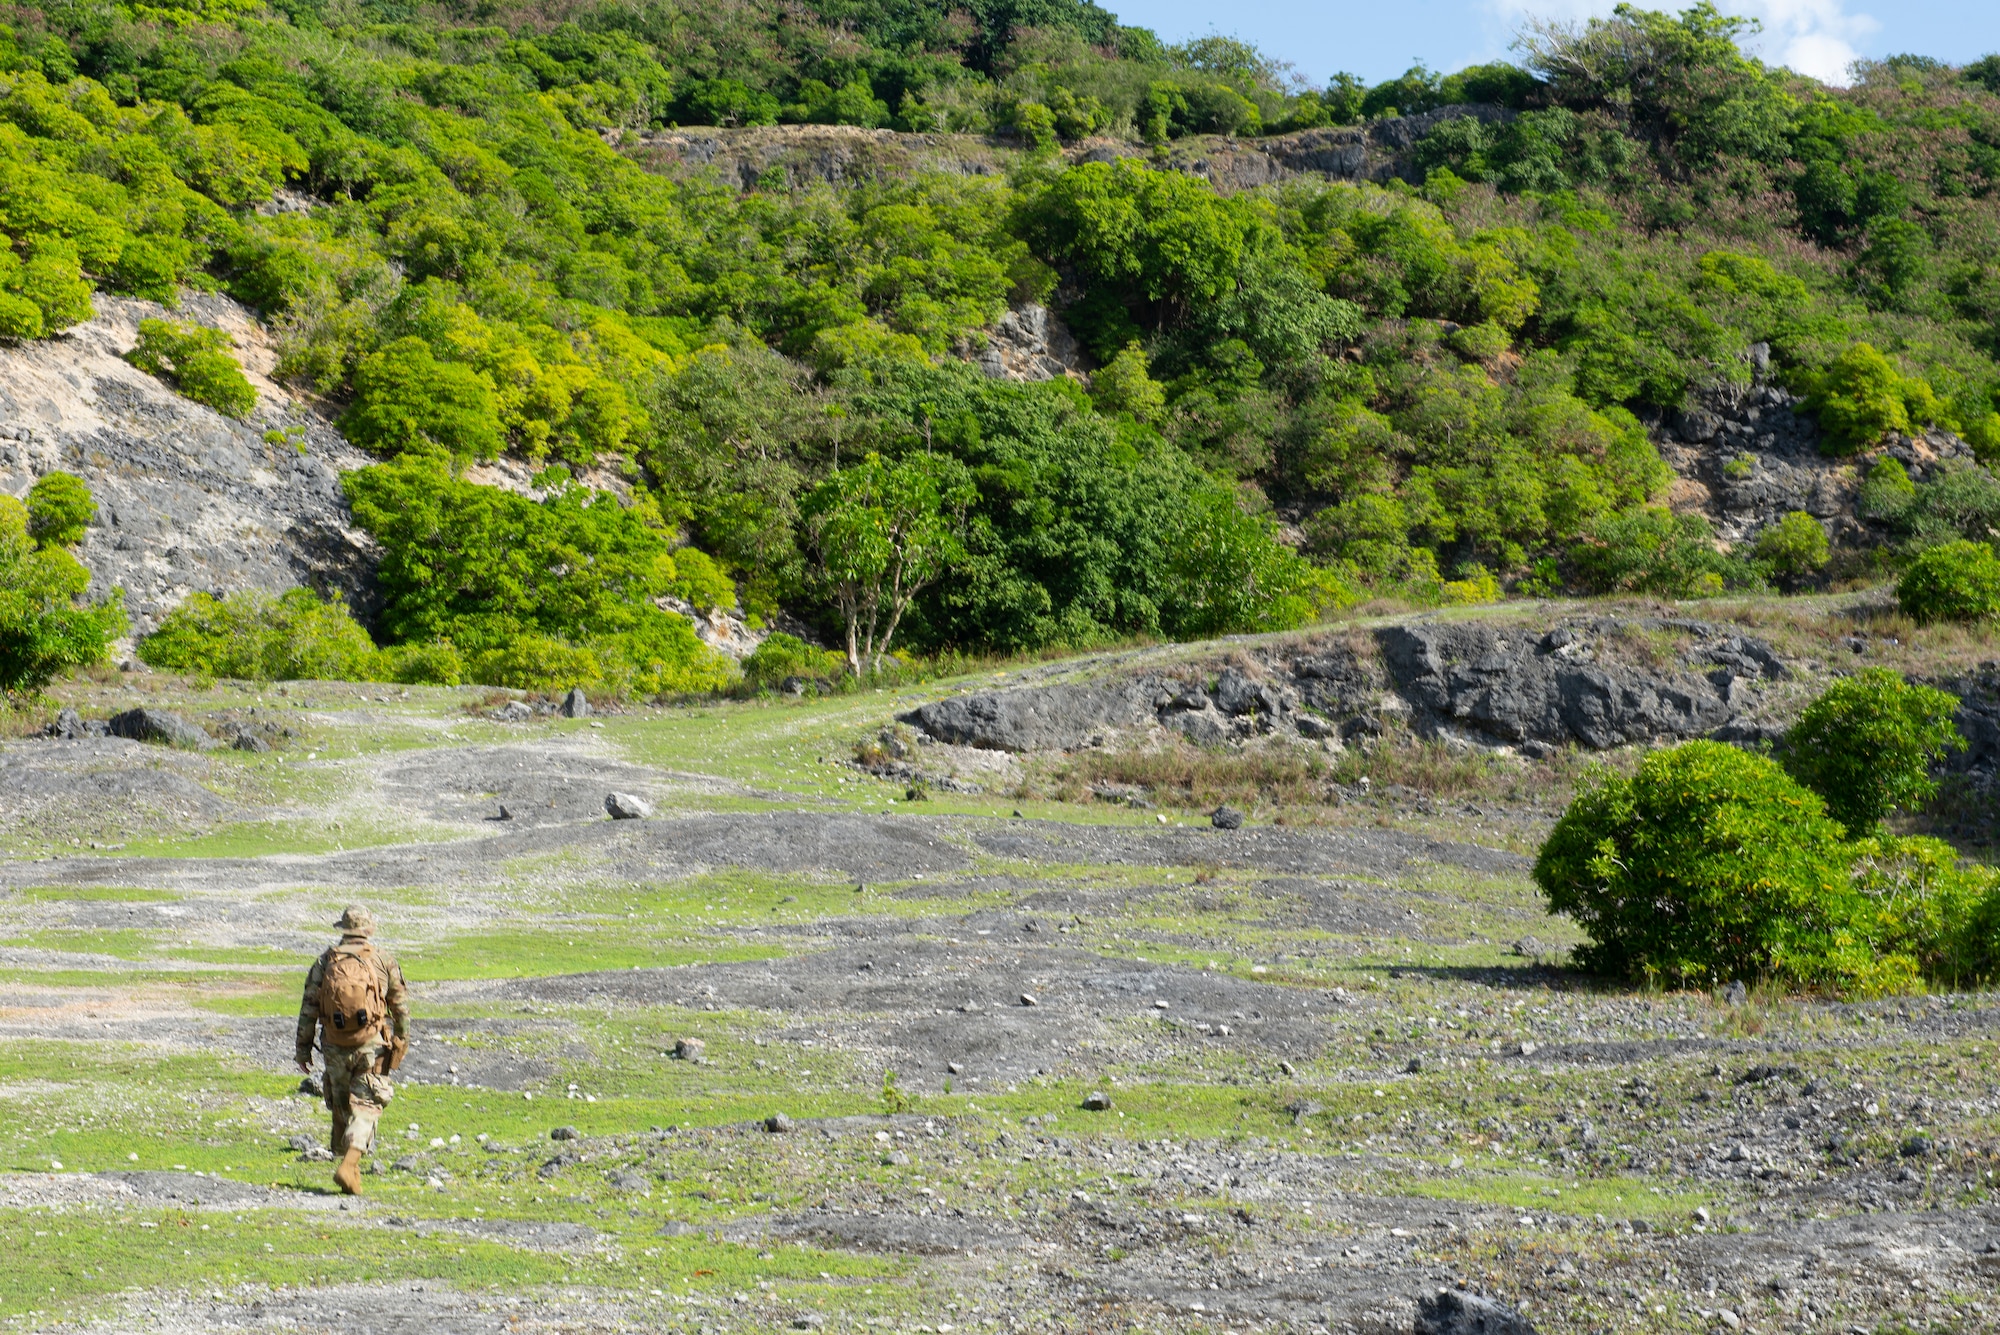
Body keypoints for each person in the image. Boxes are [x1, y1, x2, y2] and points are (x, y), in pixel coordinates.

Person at [295, 905, 409, 1194]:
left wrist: (303, 1048)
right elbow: (399, 1005)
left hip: (334, 1044)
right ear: (368, 930)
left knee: (343, 1106)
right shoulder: (383, 959)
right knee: (367, 1106)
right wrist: (401, 1039)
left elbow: (309, 1006)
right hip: (371, 1045)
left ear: (343, 930)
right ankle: (348, 1166)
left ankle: (350, 1175)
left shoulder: (325, 961)